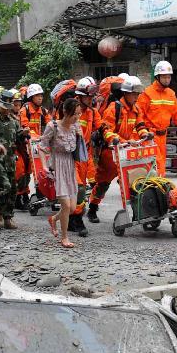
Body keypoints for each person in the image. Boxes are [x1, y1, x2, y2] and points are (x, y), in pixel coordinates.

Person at [87, 75, 151, 223]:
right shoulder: (114, 107)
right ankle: (92, 208)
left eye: (137, 94)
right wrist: (117, 140)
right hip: (111, 152)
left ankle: (137, 212)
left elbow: (140, 125)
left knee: (133, 183)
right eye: (134, 94)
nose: (136, 97)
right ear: (126, 93)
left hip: (126, 150)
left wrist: (145, 134)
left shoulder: (136, 109)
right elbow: (106, 129)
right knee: (103, 183)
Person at [39, 96, 82, 249]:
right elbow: (42, 146)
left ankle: (54, 219)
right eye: (74, 114)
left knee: (71, 208)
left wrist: (81, 139)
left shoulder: (77, 127)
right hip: (56, 166)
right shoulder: (53, 126)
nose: (77, 117)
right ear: (65, 112)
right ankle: (64, 237)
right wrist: (44, 166)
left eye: (79, 114)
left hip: (70, 166)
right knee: (65, 204)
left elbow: (79, 149)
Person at [137, 61, 177, 176]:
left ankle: (159, 189)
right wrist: (143, 131)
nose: (167, 79)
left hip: (163, 136)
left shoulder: (171, 94)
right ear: (157, 77)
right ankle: (155, 189)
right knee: (155, 163)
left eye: (169, 77)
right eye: (164, 77)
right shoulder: (147, 93)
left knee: (161, 164)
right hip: (150, 135)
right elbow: (139, 114)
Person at [0, 89, 25, 229]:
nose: (7, 110)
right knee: (4, 186)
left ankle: (8, 217)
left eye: (9, 107)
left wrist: (24, 133)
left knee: (13, 188)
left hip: (10, 159)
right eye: (5, 107)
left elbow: (18, 135)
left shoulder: (13, 120)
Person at [69, 76, 101, 237]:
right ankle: (77, 219)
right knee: (79, 188)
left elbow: (101, 127)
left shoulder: (92, 112)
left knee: (92, 184)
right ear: (80, 96)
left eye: (91, 97)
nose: (91, 99)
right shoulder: (70, 109)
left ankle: (70, 218)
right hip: (71, 155)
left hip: (85, 154)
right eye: (88, 96)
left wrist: (110, 137)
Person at [16, 83, 51, 211]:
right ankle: (20, 197)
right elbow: (24, 127)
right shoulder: (24, 110)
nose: (40, 98)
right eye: (37, 96)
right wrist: (36, 136)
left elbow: (50, 126)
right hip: (24, 146)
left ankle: (42, 193)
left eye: (41, 95)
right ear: (31, 97)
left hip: (39, 146)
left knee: (41, 169)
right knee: (23, 171)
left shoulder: (44, 111)